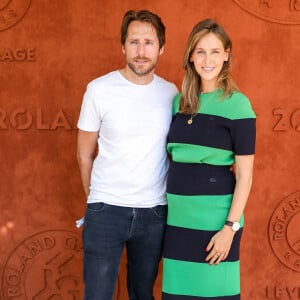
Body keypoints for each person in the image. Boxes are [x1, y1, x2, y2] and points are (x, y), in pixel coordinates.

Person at [76, 9, 178, 300]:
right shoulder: (98, 90)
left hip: (154, 213)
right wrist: (94, 202)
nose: (141, 51)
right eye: (134, 42)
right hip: (105, 210)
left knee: (142, 294)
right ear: (123, 46)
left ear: (161, 48)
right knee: (97, 295)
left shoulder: (171, 94)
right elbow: (84, 154)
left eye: (149, 42)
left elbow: (174, 153)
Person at [162, 19, 256, 300]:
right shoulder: (178, 103)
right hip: (178, 222)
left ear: (227, 54)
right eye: (200, 51)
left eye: (215, 51)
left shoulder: (238, 105)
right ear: (190, 55)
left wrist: (230, 228)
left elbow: (246, 175)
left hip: (216, 222)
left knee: (216, 294)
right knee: (178, 295)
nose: (207, 59)